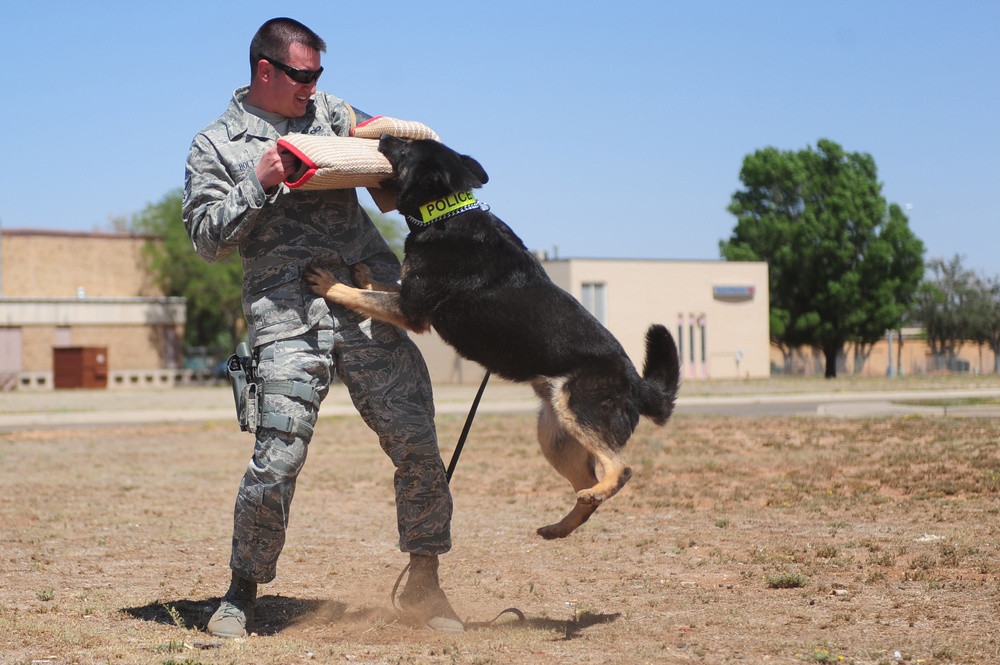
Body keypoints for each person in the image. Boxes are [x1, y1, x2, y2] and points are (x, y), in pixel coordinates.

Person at [182, 17, 462, 638]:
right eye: (301, 75)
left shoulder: (330, 112)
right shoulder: (215, 145)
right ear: (265, 70)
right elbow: (206, 241)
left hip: (366, 296)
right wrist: (258, 183)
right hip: (286, 313)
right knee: (276, 457)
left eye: (318, 74)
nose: (313, 87)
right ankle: (241, 589)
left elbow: (386, 140)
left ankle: (425, 580)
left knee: (416, 441)